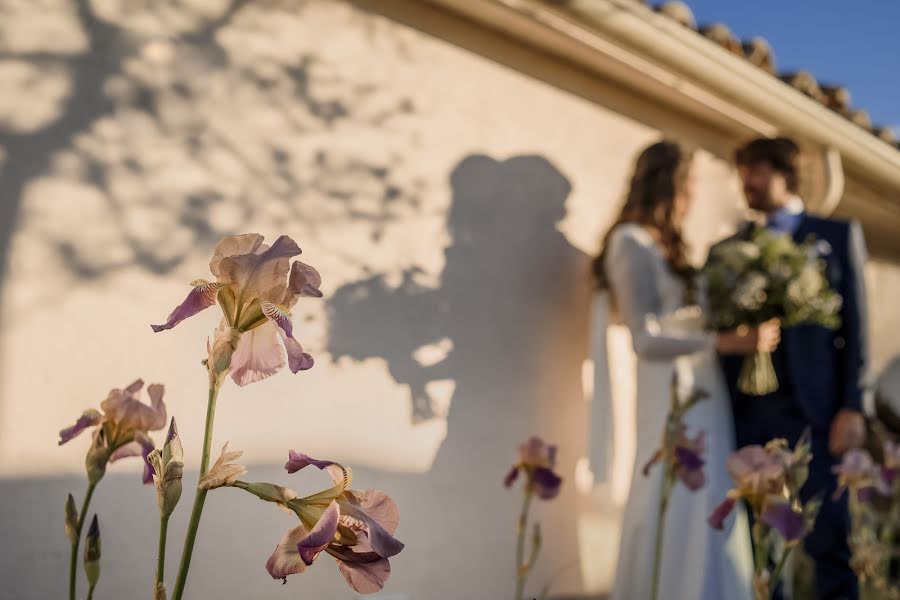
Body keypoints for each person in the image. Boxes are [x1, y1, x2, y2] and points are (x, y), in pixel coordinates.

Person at [597, 141, 779, 600]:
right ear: (669, 185)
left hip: (705, 389)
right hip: (670, 393)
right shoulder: (630, 243)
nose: (694, 194)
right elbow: (644, 336)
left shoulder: (670, 247)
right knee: (674, 495)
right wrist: (726, 341)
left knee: (709, 498)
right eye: (689, 183)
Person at [714, 137, 869, 600]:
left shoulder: (836, 236)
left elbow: (856, 328)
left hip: (816, 415)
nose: (748, 182)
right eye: (743, 173)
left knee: (827, 540)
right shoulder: (730, 249)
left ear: (785, 174)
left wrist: (852, 406)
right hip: (749, 413)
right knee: (759, 545)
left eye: (756, 171)